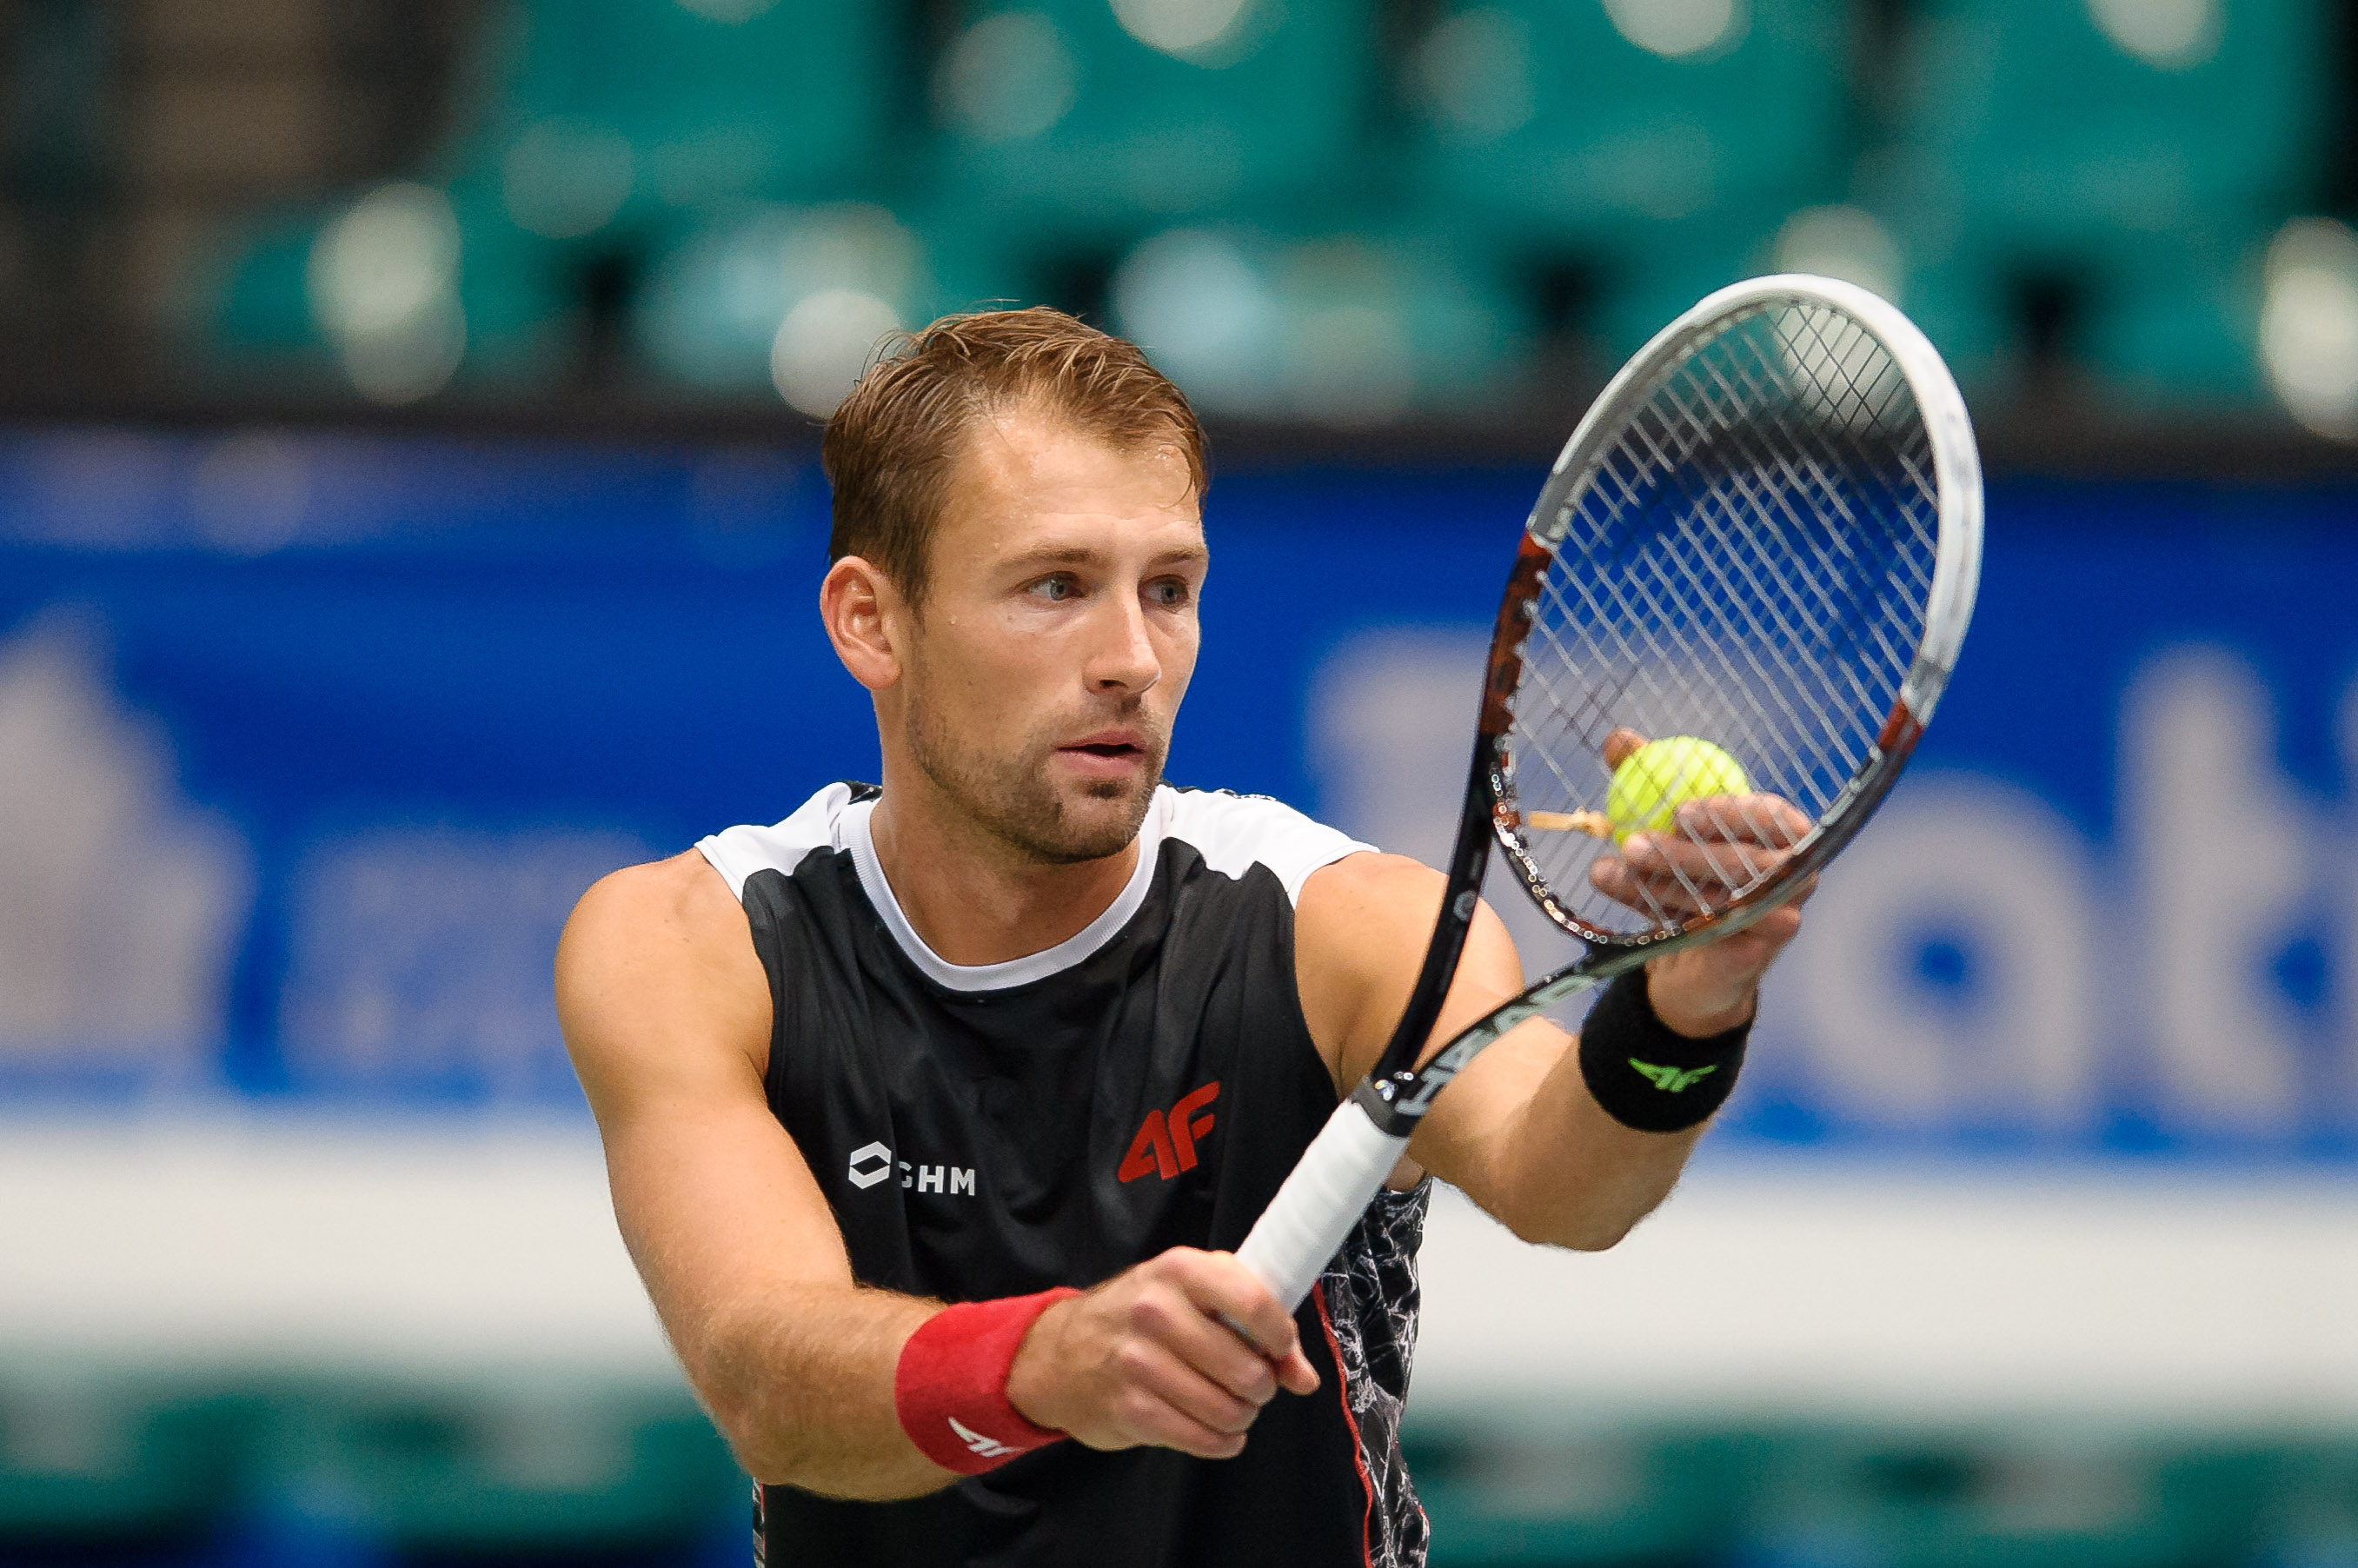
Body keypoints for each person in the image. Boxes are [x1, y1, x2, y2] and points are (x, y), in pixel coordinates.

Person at [555, 307, 1809, 1568]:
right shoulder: (693, 945)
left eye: (1169, 590)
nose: (1131, 660)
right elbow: (768, 1387)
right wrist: (1051, 1362)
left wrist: (1680, 1014)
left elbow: (1564, 1185)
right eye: (1056, 586)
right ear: (871, 623)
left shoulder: (1344, 926)